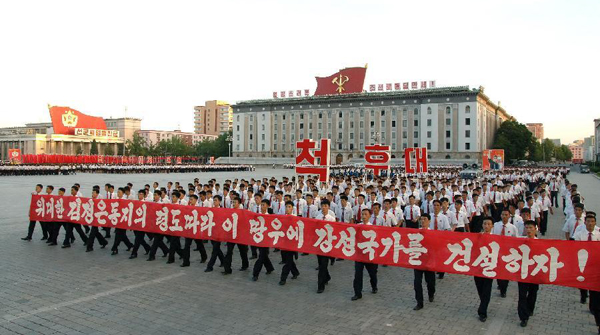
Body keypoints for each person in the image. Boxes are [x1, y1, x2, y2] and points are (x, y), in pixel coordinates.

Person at [351, 208, 379, 301]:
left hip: (370, 254)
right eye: (362, 214)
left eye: (365, 214)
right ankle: (357, 293)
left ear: (370, 216)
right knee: (358, 274)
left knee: (372, 273)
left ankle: (374, 286)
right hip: (359, 254)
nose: (363, 216)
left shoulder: (374, 227)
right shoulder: (358, 226)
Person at [518, 220, 540, 327]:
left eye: (531, 228)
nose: (529, 230)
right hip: (522, 272)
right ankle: (523, 317)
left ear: (535, 229)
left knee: (532, 293)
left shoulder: (541, 243)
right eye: (526, 228)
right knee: (522, 295)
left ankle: (530, 308)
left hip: (534, 273)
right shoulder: (519, 241)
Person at [492, 209, 518, 297]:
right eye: (503, 214)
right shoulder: (495, 225)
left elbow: (516, 240)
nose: (504, 216)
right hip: (497, 251)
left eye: (506, 215)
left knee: (506, 270)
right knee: (498, 269)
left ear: (509, 216)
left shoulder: (513, 227)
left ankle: (504, 289)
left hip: (507, 252)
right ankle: (500, 283)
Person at [412, 214, 435, 310]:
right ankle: (419, 302)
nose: (423, 221)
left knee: (430, 282)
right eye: (421, 220)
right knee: (417, 282)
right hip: (418, 261)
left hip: (429, 262)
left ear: (429, 221)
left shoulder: (433, 234)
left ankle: (431, 293)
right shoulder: (416, 233)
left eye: (425, 219)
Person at [474, 217, 495, 322]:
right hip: (478, 268)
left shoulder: (496, 238)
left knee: (487, 289)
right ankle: (483, 304)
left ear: (492, 226)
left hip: (489, 268)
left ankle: (483, 312)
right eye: (485, 224)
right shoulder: (477, 237)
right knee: (480, 289)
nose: (486, 226)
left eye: (488, 224)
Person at [222, 197, 249, 273]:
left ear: (239, 203)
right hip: (231, 235)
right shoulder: (230, 212)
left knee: (243, 251)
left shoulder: (243, 212)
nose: (233, 204)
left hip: (240, 235)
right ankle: (227, 269)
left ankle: (245, 265)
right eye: (233, 202)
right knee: (229, 251)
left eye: (235, 202)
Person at [315, 199, 335, 293]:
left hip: (327, 244)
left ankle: (320, 285)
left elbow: (334, 231)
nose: (324, 208)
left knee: (323, 264)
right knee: (321, 263)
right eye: (322, 206)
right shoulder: (318, 217)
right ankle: (327, 277)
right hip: (319, 243)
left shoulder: (331, 218)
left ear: (329, 207)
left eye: (325, 206)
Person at [252, 199, 275, 281]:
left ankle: (255, 273)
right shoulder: (258, 215)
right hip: (259, 238)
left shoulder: (270, 216)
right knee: (263, 255)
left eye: (264, 205)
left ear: (268, 206)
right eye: (261, 205)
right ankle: (270, 268)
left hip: (266, 240)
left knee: (261, 256)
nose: (262, 206)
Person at [279, 201, 300, 285]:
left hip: (292, 243)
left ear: (292, 208)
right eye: (286, 207)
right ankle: (295, 272)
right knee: (289, 260)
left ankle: (283, 278)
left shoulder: (295, 218)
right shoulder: (283, 217)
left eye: (289, 207)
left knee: (287, 262)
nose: (287, 209)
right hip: (284, 242)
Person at [205, 195, 225, 272]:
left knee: (215, 250)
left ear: (219, 201)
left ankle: (210, 266)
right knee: (217, 249)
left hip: (219, 233)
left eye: (216, 200)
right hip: (212, 231)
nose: (214, 202)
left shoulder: (223, 210)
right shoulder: (211, 210)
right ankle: (223, 261)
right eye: (214, 200)